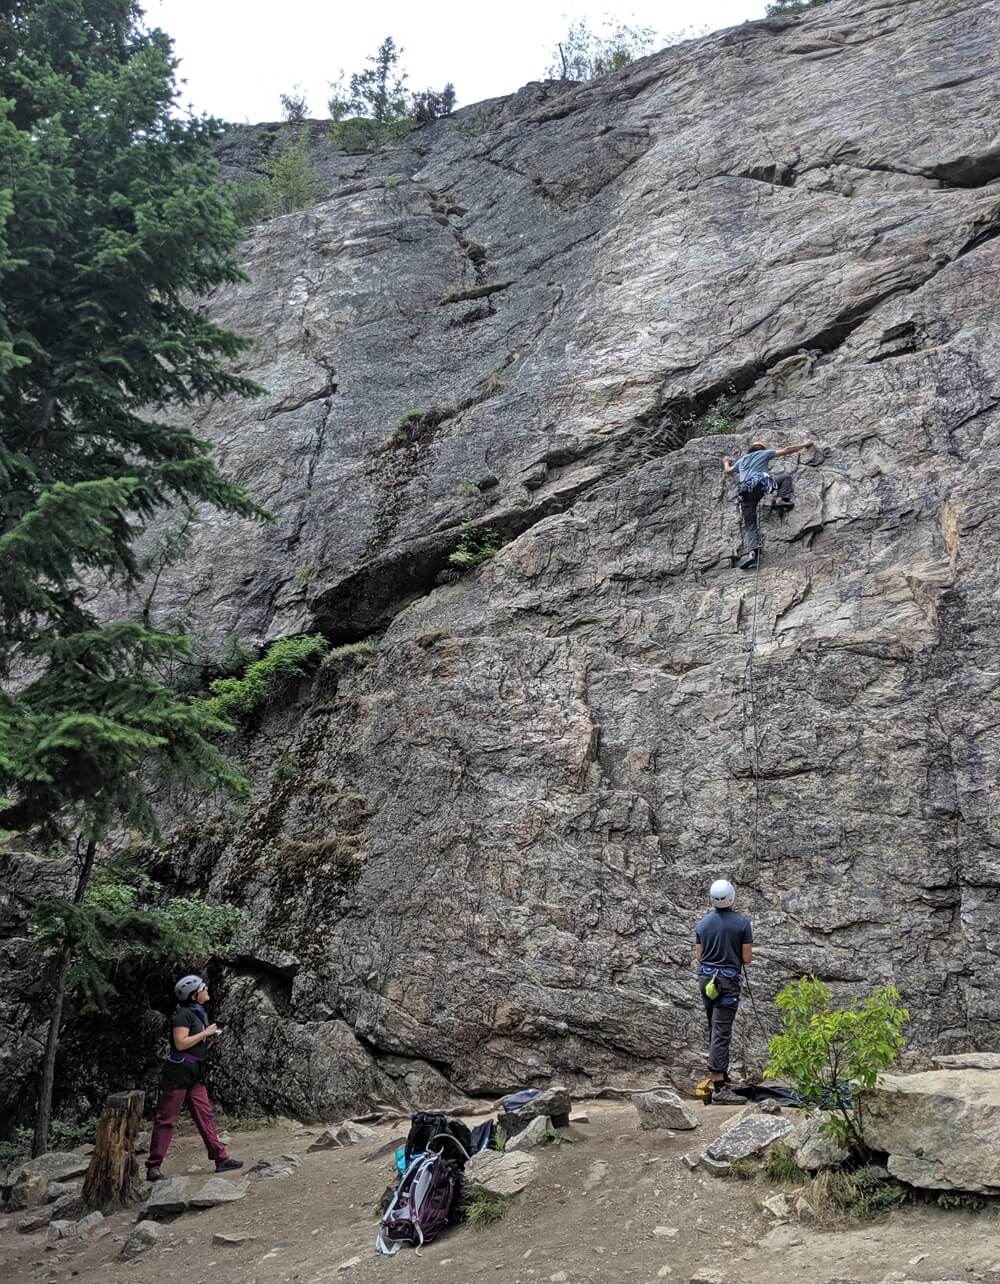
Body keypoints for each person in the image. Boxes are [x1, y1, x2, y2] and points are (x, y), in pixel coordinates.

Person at [146, 975, 242, 1182]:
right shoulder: (182, 1015)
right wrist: (205, 1033)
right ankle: (153, 1166)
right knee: (167, 1119)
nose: (206, 989)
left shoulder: (198, 1012)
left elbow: (194, 1043)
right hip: (179, 1073)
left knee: (204, 1115)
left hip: (195, 1072)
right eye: (203, 987)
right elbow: (180, 1043)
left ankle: (221, 1158)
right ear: (194, 993)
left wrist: (210, 1037)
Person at [695, 879, 753, 1105]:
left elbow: (699, 956)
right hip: (726, 982)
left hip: (706, 981)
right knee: (721, 1031)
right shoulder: (742, 923)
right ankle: (719, 1087)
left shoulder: (702, 924)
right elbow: (746, 958)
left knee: (714, 1027)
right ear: (732, 896)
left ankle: (720, 1076)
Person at [722, 438, 813, 566]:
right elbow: (787, 450)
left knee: (750, 525)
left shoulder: (742, 461)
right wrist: (805, 444)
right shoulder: (763, 454)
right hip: (759, 485)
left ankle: (752, 553)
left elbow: (728, 471)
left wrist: (725, 461)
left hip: (744, 494)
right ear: (763, 449)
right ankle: (779, 500)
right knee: (785, 477)